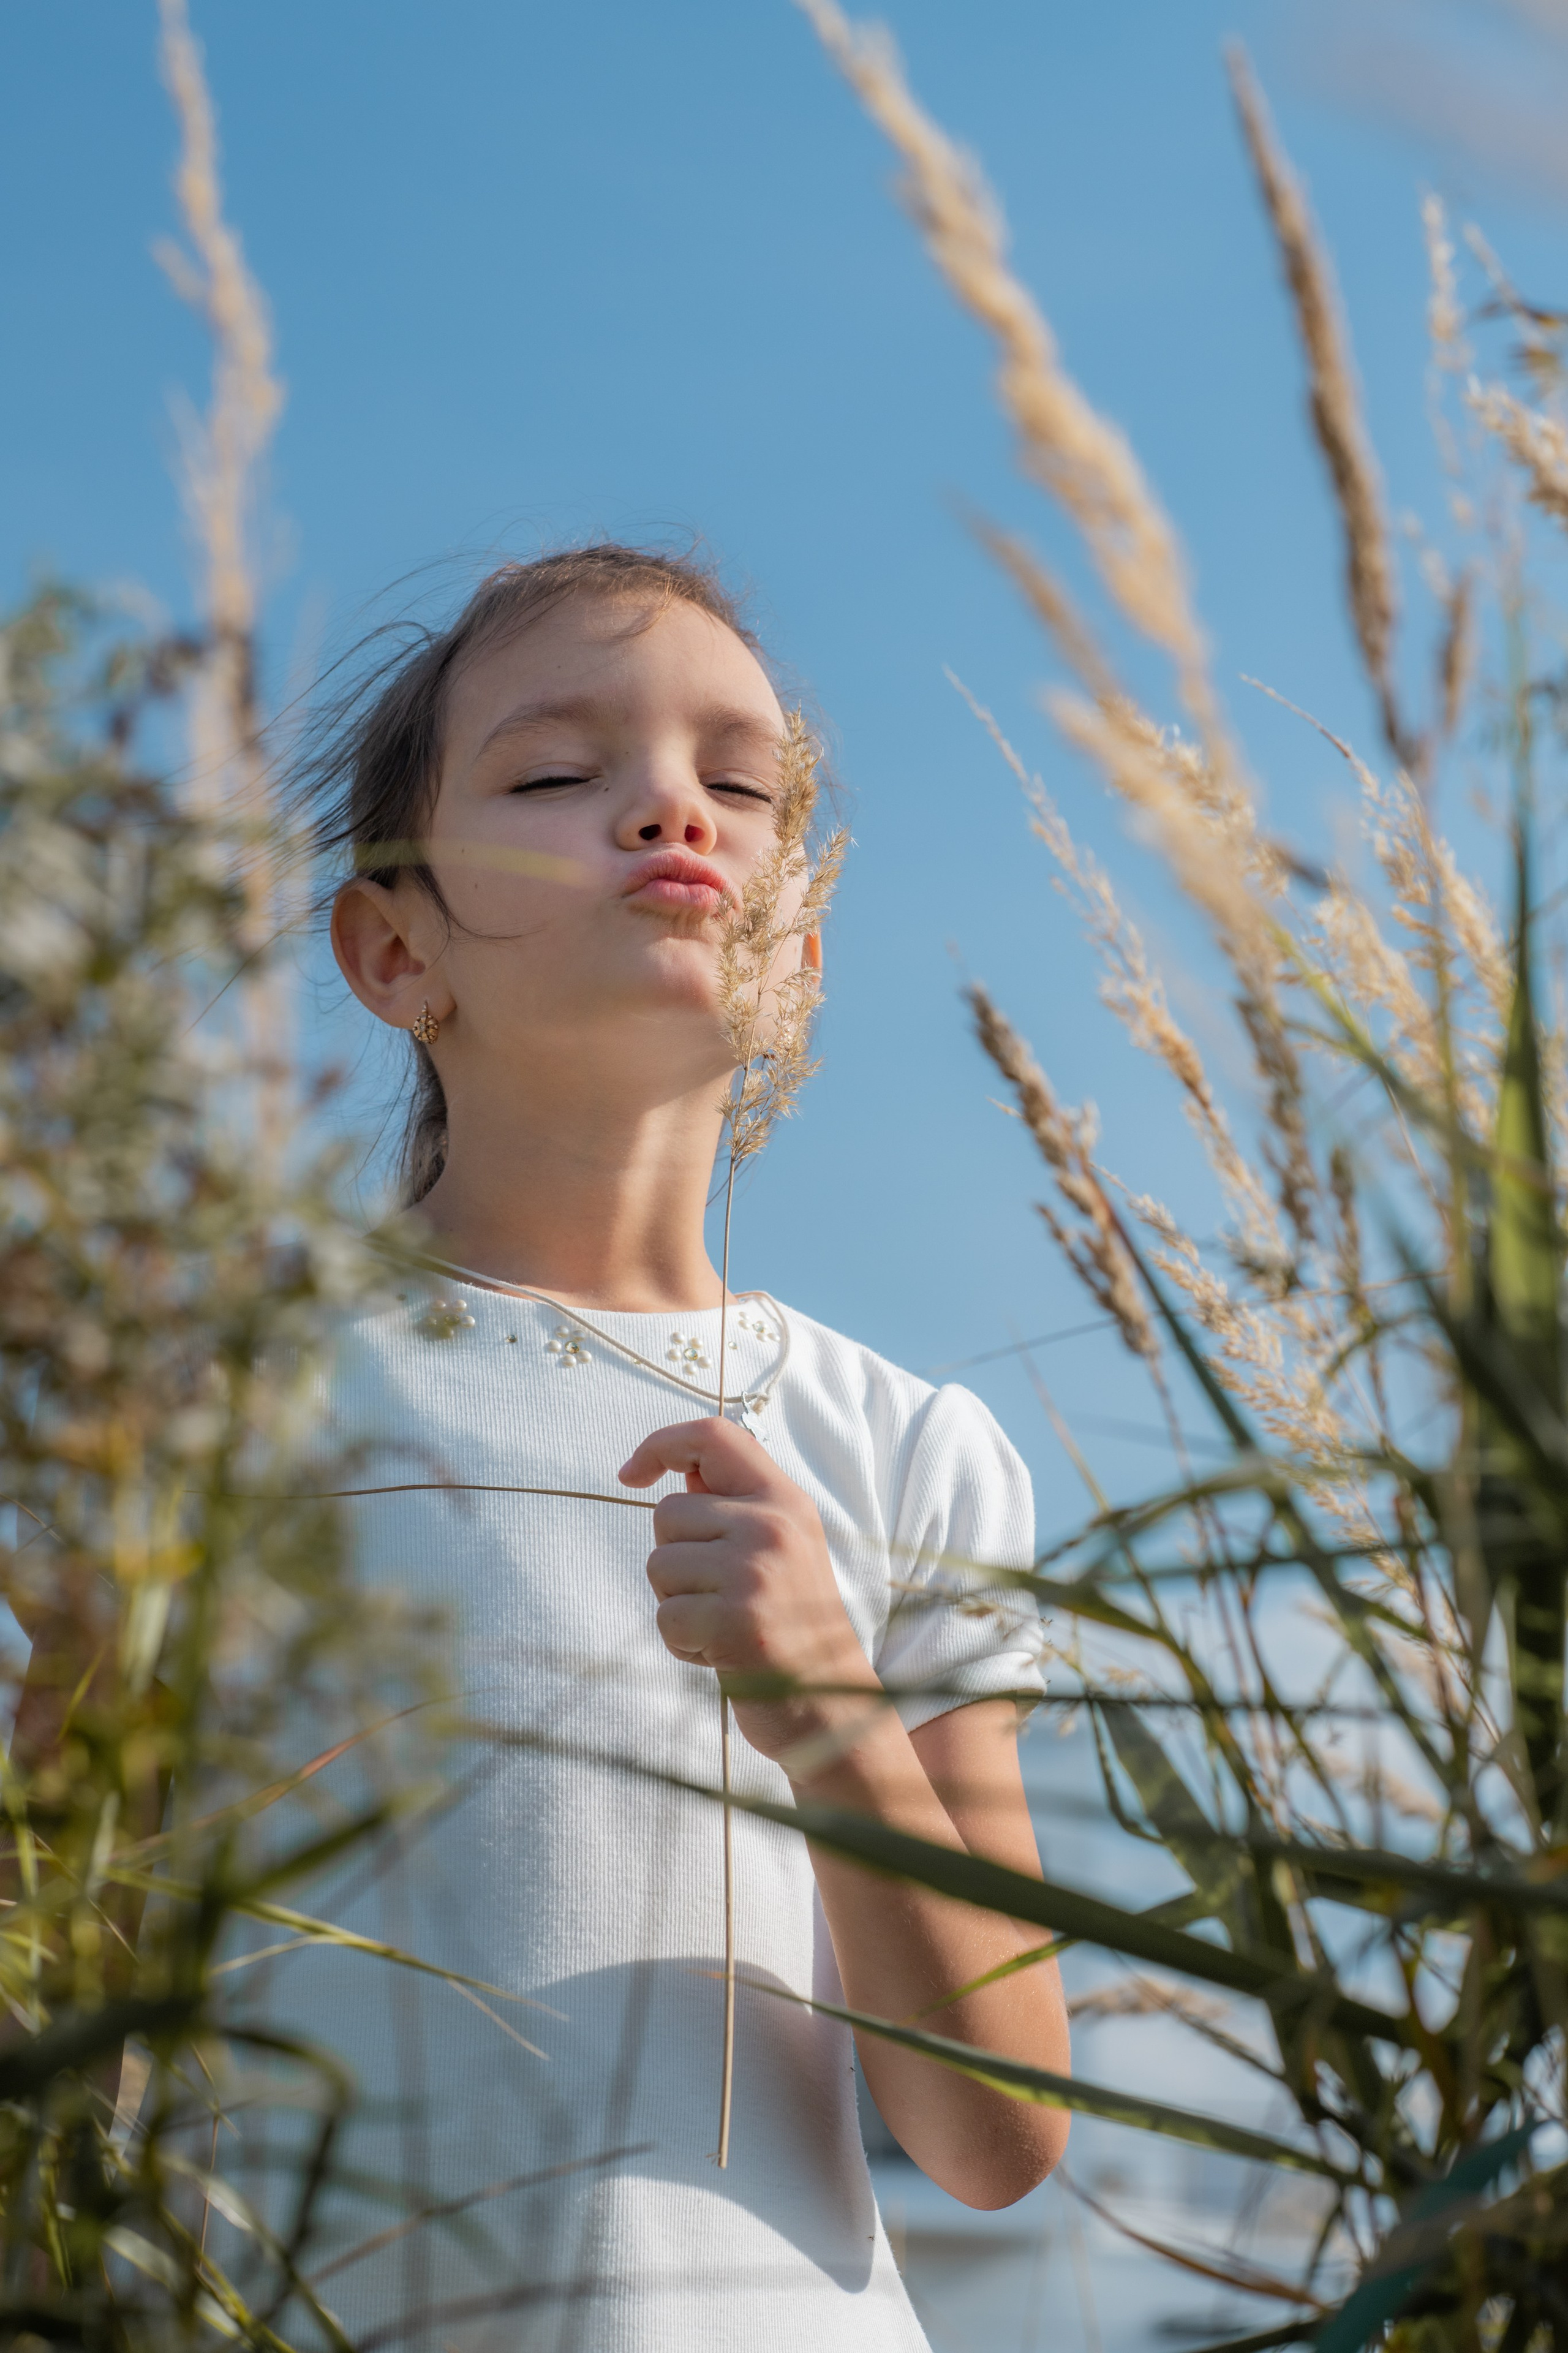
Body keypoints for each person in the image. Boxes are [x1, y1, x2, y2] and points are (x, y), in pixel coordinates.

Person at [263, 543, 1068, 2350]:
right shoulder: (239, 1401)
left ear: (797, 943)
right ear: (396, 948)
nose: (665, 810)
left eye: (741, 781)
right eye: (557, 775)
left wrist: (834, 1714)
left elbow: (1000, 2128)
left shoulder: (915, 1450)